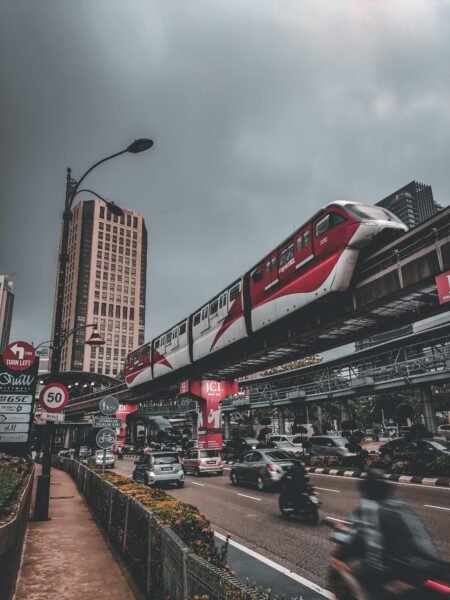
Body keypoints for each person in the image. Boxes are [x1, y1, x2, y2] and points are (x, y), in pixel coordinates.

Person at [342, 468, 441, 596]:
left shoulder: (371, 509)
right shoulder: (402, 507)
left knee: (350, 570)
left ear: (367, 489)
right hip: (422, 564)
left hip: (394, 567)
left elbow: (372, 550)